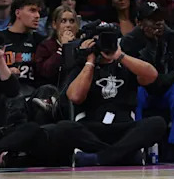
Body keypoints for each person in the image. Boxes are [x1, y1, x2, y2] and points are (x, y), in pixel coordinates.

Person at [65, 34, 165, 167]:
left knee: (157, 123)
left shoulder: (126, 66)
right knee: (65, 128)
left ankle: (101, 157)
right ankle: (123, 155)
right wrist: (90, 61)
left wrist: (119, 55)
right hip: (92, 127)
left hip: (124, 128)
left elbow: (152, 75)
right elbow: (75, 97)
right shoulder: (82, 67)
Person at [121, 1, 174, 163]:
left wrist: (159, 80)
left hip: (167, 89)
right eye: (152, 19)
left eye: (160, 17)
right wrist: (151, 45)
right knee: (135, 91)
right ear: (139, 22)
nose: (158, 22)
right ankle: (137, 145)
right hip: (143, 90)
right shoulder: (129, 41)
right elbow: (129, 75)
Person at [0, 0, 43, 95]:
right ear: (18, 13)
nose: (37, 16)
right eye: (32, 10)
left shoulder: (40, 41)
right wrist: (7, 72)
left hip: (31, 98)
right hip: (2, 97)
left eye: (38, 12)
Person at [33, 6, 77, 87]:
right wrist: (62, 48)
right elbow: (45, 72)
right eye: (63, 21)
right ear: (54, 24)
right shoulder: (45, 46)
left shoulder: (81, 46)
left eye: (72, 21)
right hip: (52, 92)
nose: (68, 25)